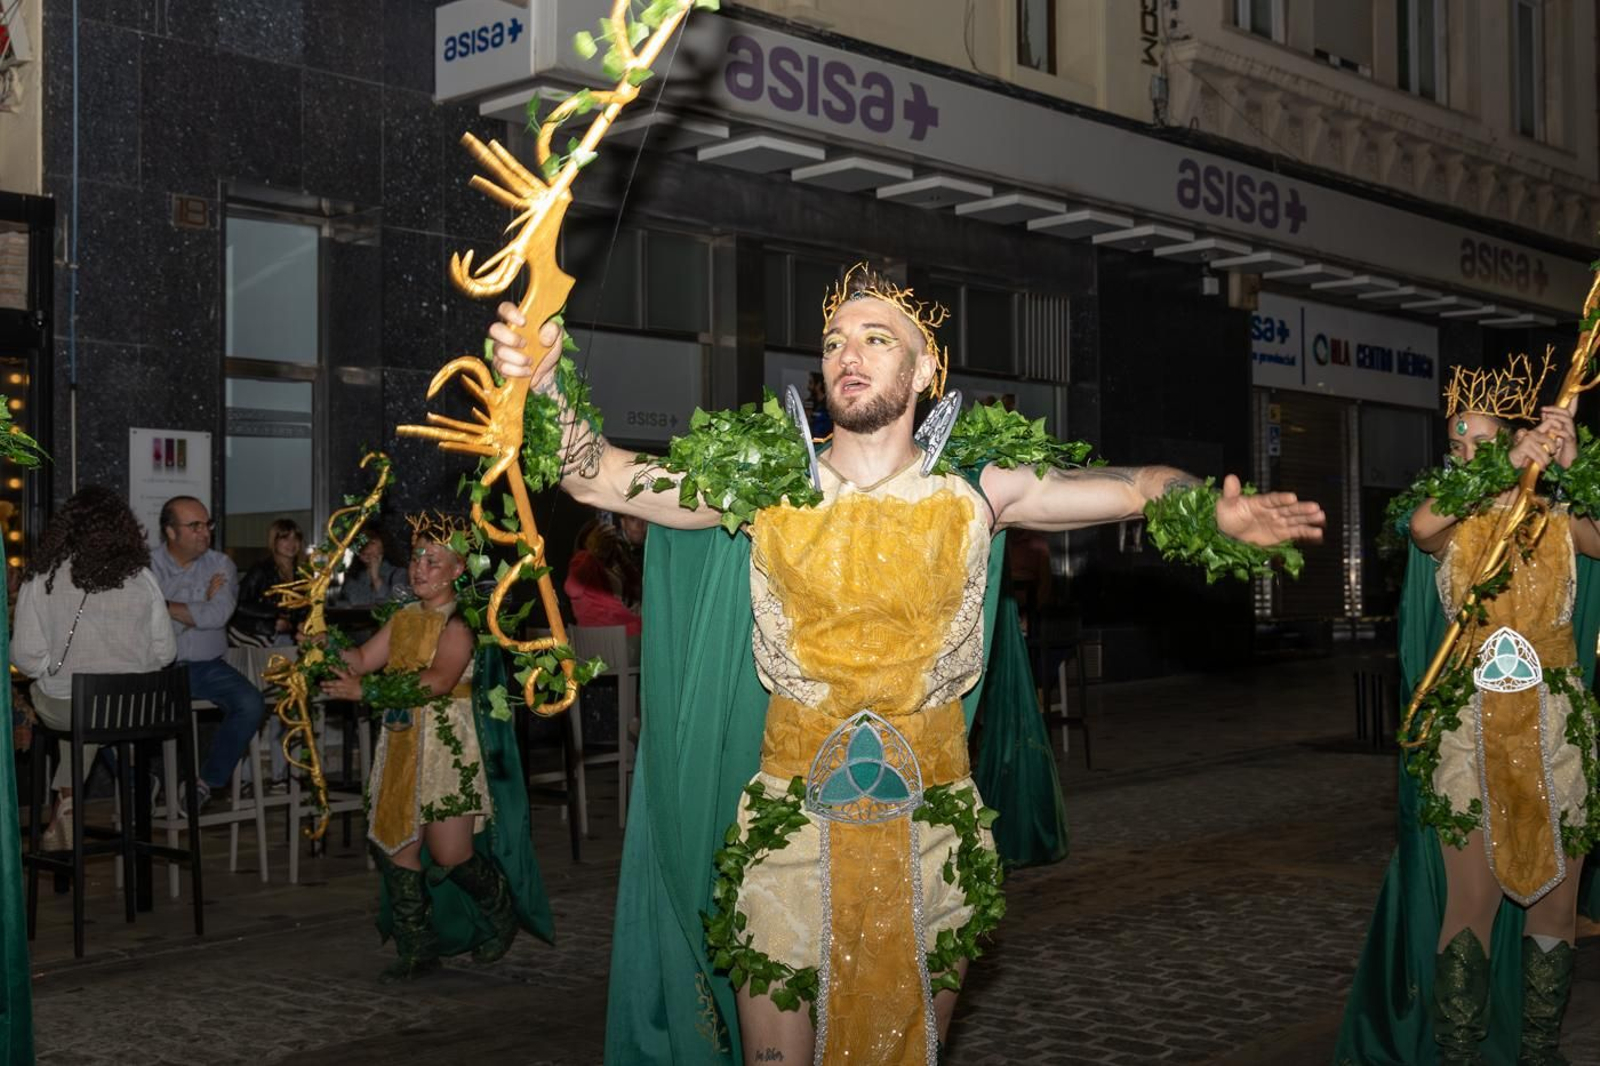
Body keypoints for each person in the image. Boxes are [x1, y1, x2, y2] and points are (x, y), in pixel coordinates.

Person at [491, 263, 1324, 1064]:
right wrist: (547, 379)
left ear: (925, 369)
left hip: (933, 834)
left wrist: (1207, 512)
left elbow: (1135, 482)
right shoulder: (765, 483)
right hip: (787, 832)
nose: (847, 355)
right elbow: (599, 478)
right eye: (833, 341)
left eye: (875, 338)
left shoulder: (980, 491)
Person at [1335, 364, 1600, 1066]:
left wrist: (1575, 463)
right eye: (1457, 445)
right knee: (1471, 902)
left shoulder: (1559, 517)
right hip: (1470, 727)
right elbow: (1422, 525)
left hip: (1556, 729)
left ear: (1518, 438)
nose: (1466, 455)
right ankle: (1459, 1055)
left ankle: (1538, 1052)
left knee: (1554, 903)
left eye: (1484, 441)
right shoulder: (1449, 516)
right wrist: (1499, 468)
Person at [319, 514, 553, 981]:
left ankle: (501, 913)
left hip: (448, 749)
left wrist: (368, 692)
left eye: (432, 561)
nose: (419, 569)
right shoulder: (403, 617)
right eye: (416, 559)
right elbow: (362, 659)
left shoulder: (461, 624)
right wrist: (322, 644)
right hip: (402, 744)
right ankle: (416, 948)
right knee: (399, 849)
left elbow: (440, 680)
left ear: (458, 570)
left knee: (451, 855)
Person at [11, 486, 177, 849]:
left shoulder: (43, 577)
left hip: (75, 707)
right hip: (137, 709)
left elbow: (24, 656)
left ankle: (66, 801)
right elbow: (166, 653)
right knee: (95, 709)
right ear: (124, 527)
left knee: (76, 705)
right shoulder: (142, 576)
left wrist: (54, 669)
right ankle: (75, 801)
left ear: (64, 528)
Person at [149, 496, 267, 811]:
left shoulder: (220, 564)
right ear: (171, 532)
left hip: (206, 667)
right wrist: (200, 601)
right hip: (156, 668)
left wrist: (165, 606)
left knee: (251, 703)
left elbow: (218, 616)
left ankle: (206, 782)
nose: (205, 532)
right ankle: (139, 779)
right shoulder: (146, 567)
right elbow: (142, 618)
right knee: (100, 705)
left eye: (207, 524)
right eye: (195, 526)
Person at [228, 518, 306, 648]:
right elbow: (238, 603)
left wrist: (291, 625)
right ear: (274, 541)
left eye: (296, 538)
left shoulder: (301, 574)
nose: (292, 543)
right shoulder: (261, 570)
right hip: (259, 638)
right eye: (285, 538)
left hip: (287, 638)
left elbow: (301, 612)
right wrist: (274, 618)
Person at [564, 516, 643, 637]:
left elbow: (639, 587)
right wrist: (594, 551)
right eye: (601, 537)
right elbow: (572, 588)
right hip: (601, 634)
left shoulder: (612, 569)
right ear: (586, 540)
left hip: (619, 629)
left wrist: (620, 556)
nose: (604, 542)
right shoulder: (583, 559)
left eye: (607, 538)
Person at [335, 527, 411, 608]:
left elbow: (396, 607)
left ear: (384, 545)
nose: (366, 547)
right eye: (362, 543)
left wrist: (376, 578)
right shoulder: (353, 578)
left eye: (372, 543)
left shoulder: (399, 574)